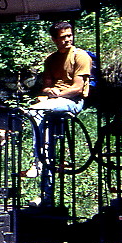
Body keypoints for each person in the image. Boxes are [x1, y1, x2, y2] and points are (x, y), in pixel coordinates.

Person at [26, 21, 92, 206]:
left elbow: (78, 88)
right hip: (54, 102)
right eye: (63, 37)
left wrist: (55, 95)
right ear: (55, 39)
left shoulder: (81, 57)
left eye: (69, 36)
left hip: (72, 102)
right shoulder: (51, 59)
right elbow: (46, 85)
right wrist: (49, 93)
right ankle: (46, 196)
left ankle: (37, 161)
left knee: (36, 110)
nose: (67, 40)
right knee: (47, 141)